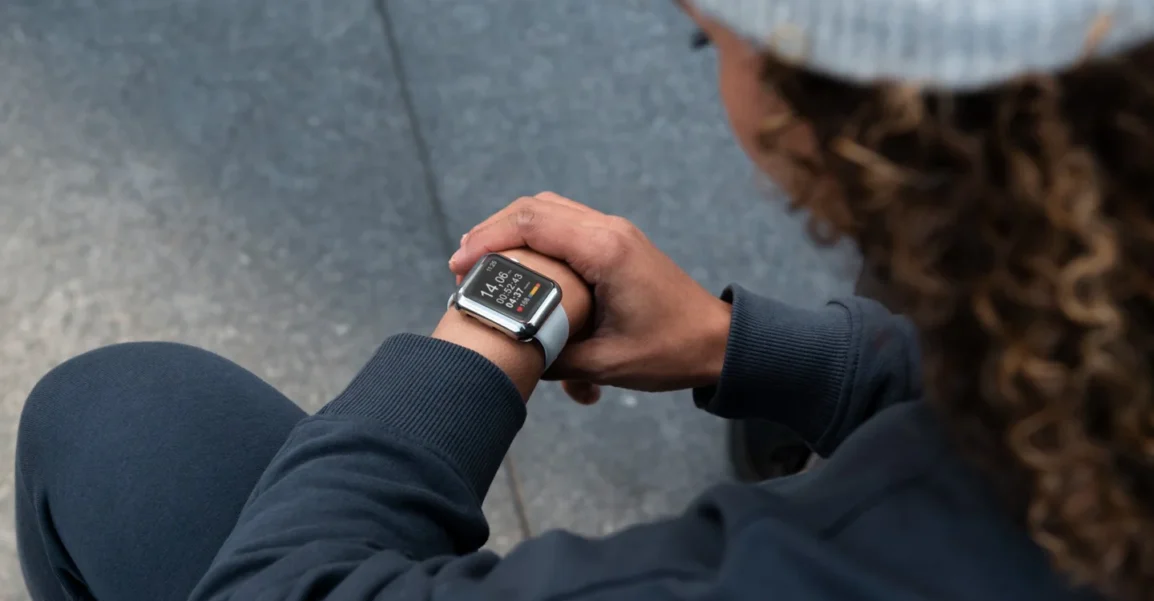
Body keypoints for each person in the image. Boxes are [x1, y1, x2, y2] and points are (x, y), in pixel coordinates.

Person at [15, 0, 1154, 599]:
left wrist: (488, 334)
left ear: (846, 113)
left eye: (707, 38)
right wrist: (749, 348)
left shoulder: (857, 561)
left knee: (119, 417)